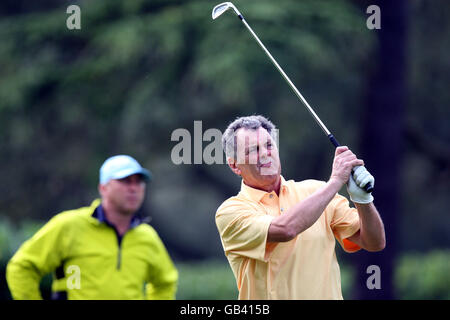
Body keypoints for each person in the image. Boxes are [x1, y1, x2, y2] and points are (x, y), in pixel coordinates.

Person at [215, 115, 385, 299]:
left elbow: (374, 242)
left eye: (269, 145)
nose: (265, 153)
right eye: (253, 150)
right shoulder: (230, 211)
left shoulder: (318, 191)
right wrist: (335, 181)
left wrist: (363, 200)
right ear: (234, 165)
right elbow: (286, 229)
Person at [6, 155, 178, 300]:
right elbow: (22, 267)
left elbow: (165, 282)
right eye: (125, 181)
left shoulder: (147, 236)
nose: (134, 188)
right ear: (103, 188)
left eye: (139, 182)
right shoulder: (70, 225)